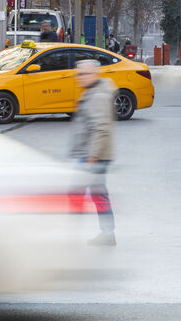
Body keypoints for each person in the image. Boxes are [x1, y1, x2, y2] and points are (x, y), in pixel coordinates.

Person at [70, 59, 116, 245]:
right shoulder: (93, 92)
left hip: (94, 157)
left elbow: (101, 128)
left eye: (85, 74)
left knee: (79, 194)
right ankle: (107, 234)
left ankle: (74, 234)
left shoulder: (97, 96)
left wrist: (92, 157)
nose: (80, 78)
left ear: (95, 74)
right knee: (96, 194)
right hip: (92, 155)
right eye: (79, 74)